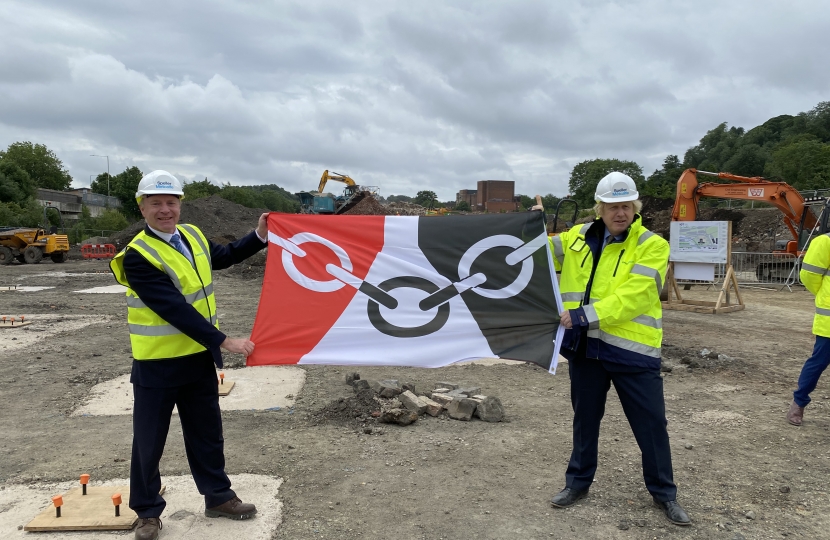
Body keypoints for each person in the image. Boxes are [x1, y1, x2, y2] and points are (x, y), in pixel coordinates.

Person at [110, 170, 269, 540]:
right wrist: (224, 339)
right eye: (156, 204)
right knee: (149, 442)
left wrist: (259, 235)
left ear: (179, 204)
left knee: (207, 433)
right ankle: (148, 513)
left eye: (171, 202)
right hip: (157, 364)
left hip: (197, 360)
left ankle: (218, 497)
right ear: (142, 207)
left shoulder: (193, 235)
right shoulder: (136, 256)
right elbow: (173, 309)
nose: (165, 210)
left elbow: (225, 256)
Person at [537, 172, 690, 526]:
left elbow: (635, 296)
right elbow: (540, 251)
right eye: (612, 206)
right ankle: (577, 484)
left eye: (626, 206)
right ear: (600, 208)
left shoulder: (652, 245)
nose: (619, 213)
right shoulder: (577, 236)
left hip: (632, 353)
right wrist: (532, 224)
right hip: (587, 350)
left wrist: (583, 315)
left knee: (651, 425)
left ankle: (665, 494)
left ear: (634, 208)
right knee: (585, 421)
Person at [787, 232, 830, 426]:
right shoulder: (825, 241)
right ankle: (799, 402)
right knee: (818, 362)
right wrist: (823, 295)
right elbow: (809, 276)